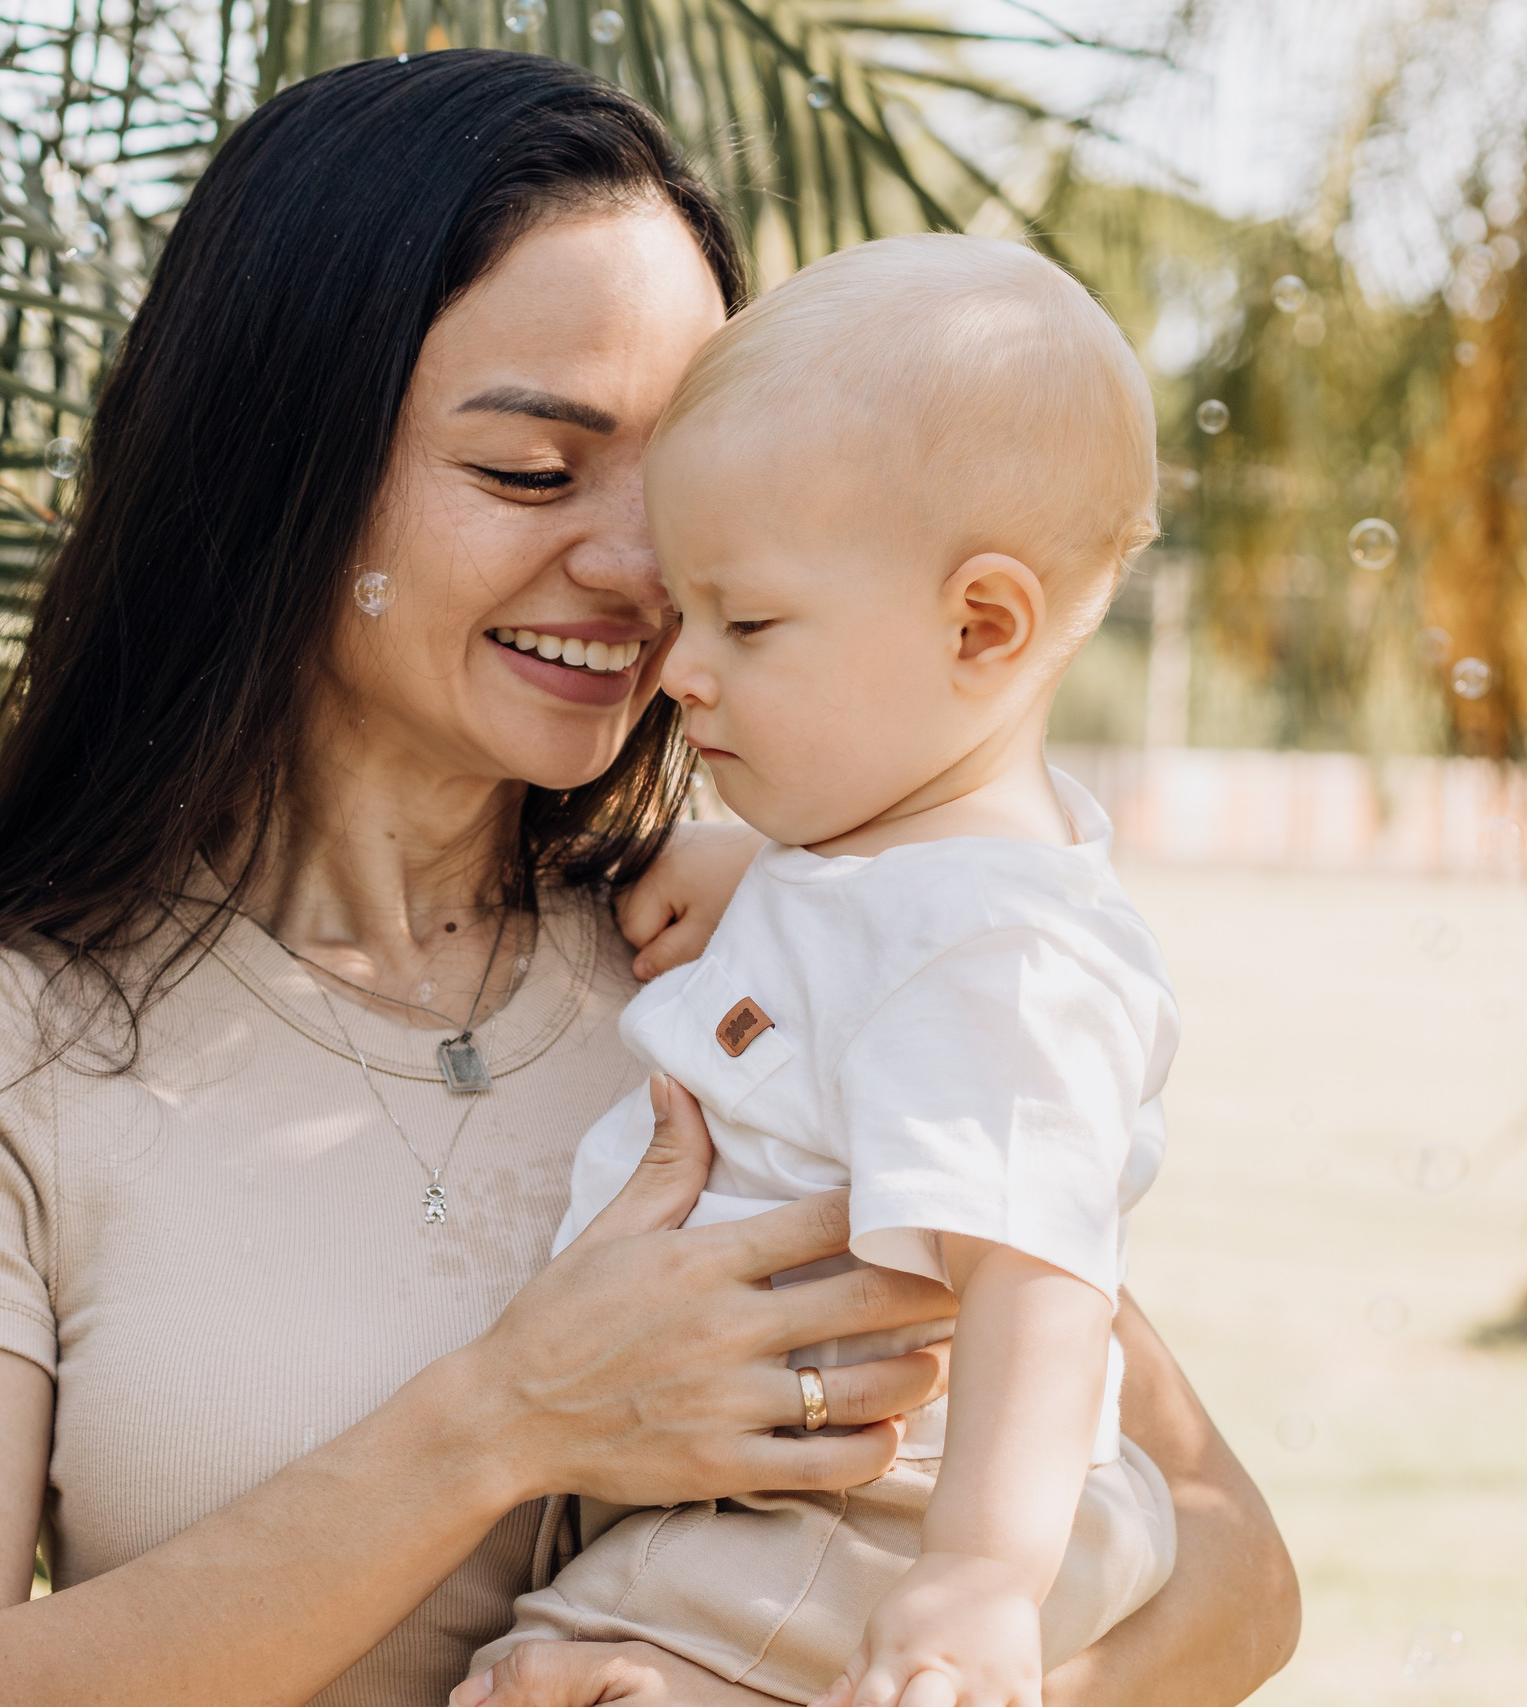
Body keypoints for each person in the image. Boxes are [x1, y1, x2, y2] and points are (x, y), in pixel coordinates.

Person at [0, 51, 1298, 1707]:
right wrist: (502, 1421)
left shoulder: (761, 955)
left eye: (692, 487)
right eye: (530, 472)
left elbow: (1225, 1573)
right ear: (278, 466)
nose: (643, 571)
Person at [468, 235, 1188, 1707]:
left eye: (747, 622)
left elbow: (1039, 1276)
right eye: (689, 613)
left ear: (981, 627)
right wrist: (756, 875)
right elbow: (888, 927)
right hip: (792, 1506)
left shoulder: (1001, 961)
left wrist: (979, 1577)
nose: (681, 666)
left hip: (861, 1524)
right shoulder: (912, 887)